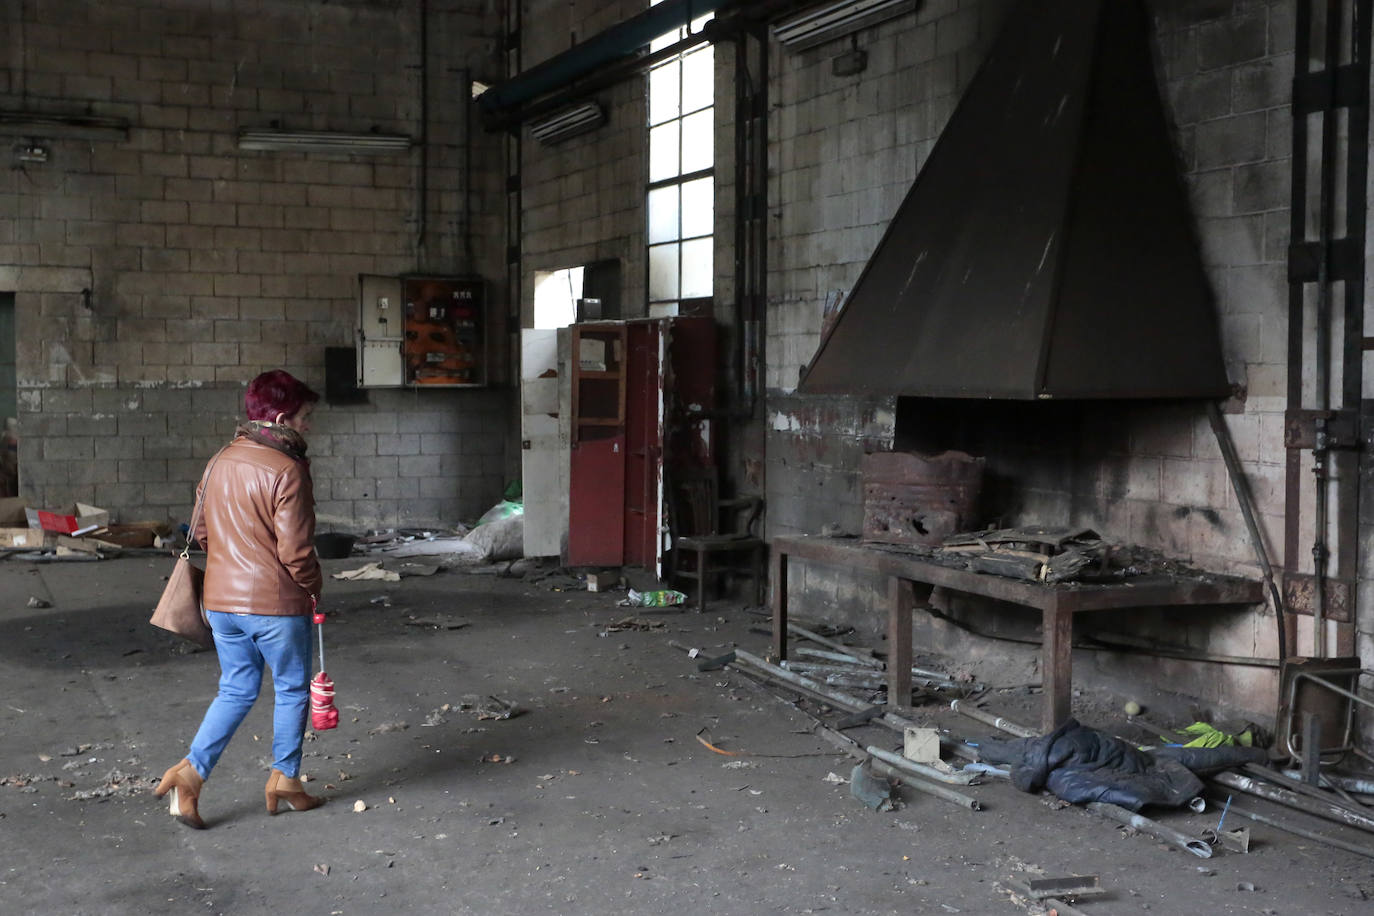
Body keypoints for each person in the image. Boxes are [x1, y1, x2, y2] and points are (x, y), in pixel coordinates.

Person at [154, 370, 326, 828]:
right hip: (275, 607)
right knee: (291, 688)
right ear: (284, 417)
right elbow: (296, 553)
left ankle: (190, 774)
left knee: (236, 688)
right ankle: (285, 779)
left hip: (220, 603)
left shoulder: (219, 461)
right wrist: (313, 586)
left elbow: (202, 534)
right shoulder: (288, 469)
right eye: (307, 417)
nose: (309, 426)